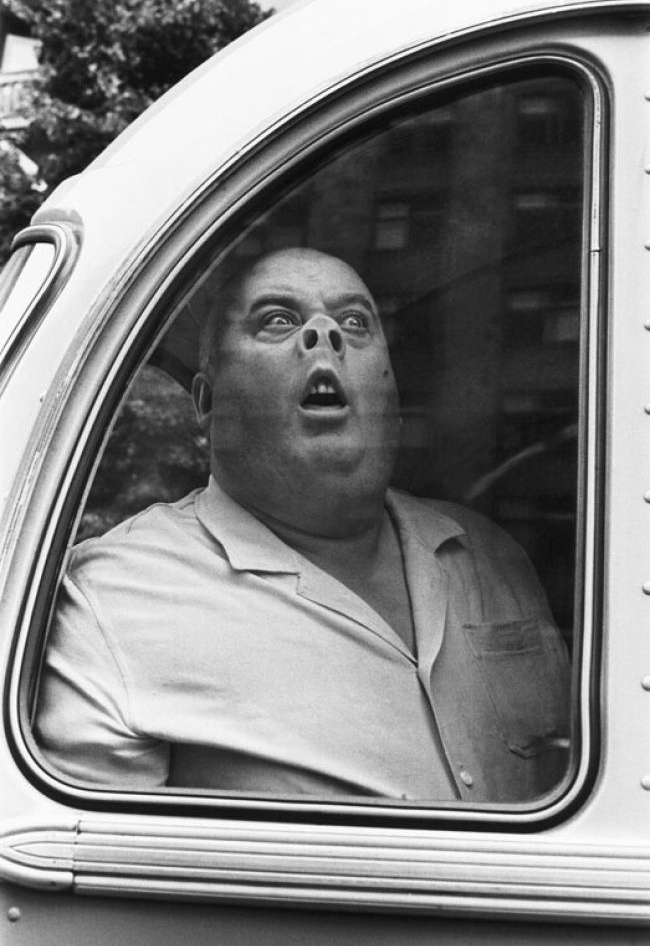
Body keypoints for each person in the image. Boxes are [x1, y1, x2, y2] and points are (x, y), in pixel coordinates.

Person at [35, 248, 570, 802]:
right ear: (208, 401)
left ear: (391, 393)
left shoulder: (490, 554)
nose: (325, 334)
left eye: (355, 322)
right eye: (278, 319)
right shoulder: (109, 602)